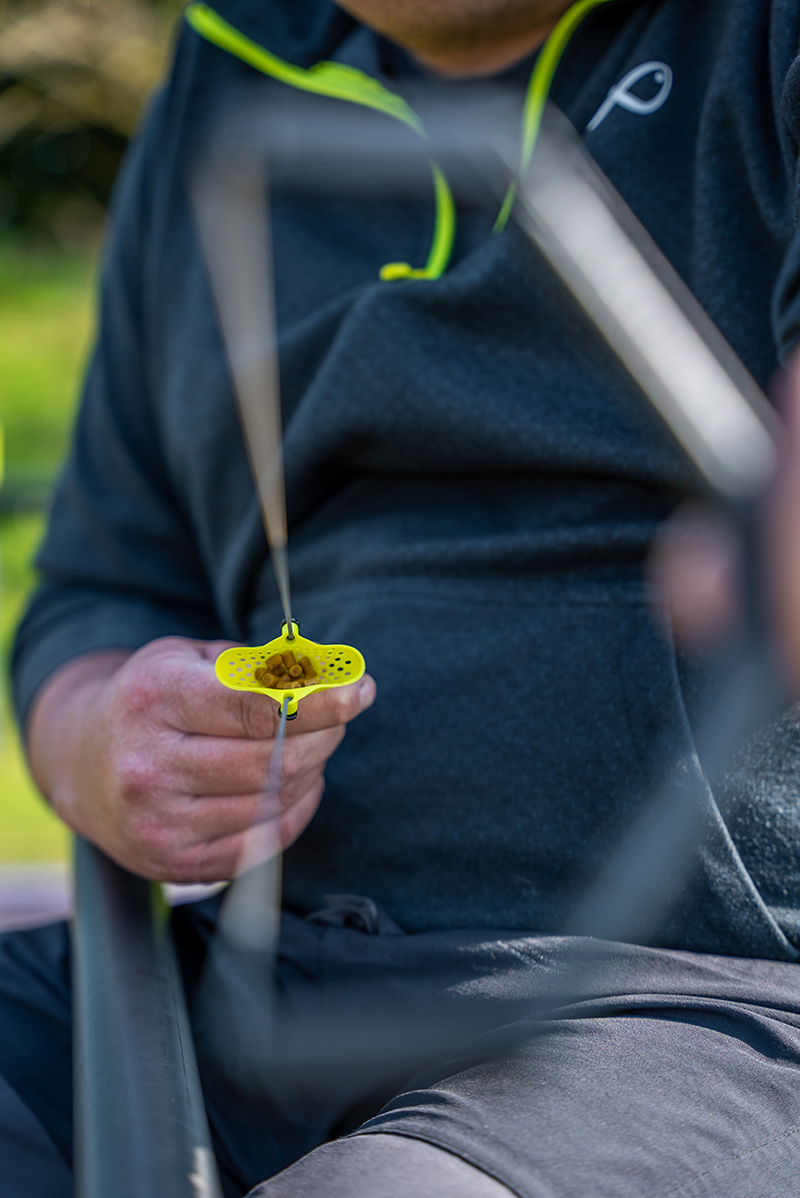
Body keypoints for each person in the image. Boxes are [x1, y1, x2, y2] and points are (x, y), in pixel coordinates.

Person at [6, 0, 800, 1194]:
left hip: (703, 1009)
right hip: (244, 982)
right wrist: (103, 739)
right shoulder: (228, 62)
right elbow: (100, 585)